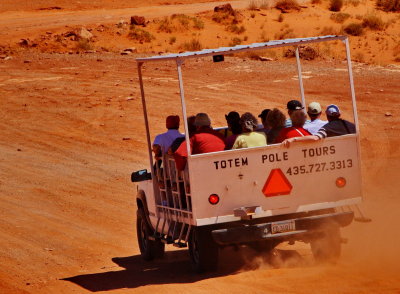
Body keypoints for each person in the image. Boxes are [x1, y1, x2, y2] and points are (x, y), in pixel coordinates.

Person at [281, 104, 356, 147]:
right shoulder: (351, 125)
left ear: (326, 115)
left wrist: (294, 139)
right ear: (339, 114)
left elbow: (315, 138)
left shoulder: (327, 127)